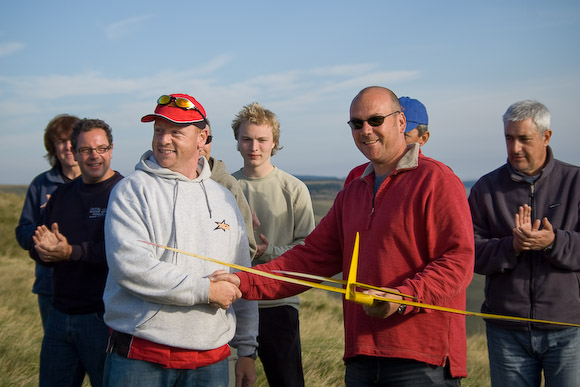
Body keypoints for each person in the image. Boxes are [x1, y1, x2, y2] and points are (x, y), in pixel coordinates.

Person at [214, 86, 474, 386]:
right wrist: (242, 281)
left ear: (401, 123)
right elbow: (310, 257)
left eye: (376, 120)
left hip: (421, 359)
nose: (366, 130)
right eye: (357, 123)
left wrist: (403, 297)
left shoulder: (436, 180)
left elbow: (458, 260)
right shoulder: (353, 188)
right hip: (360, 355)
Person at [102, 93, 258, 387]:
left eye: (176, 132)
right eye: (159, 130)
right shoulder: (131, 190)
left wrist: (247, 349)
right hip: (141, 357)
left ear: (202, 137)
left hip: (211, 361)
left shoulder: (224, 198)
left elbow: (241, 275)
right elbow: (130, 266)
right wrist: (206, 291)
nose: (163, 140)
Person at [468, 100, 580, 387]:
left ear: (546, 137)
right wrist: (512, 246)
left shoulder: (575, 182)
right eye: (509, 138)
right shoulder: (486, 188)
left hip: (569, 328)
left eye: (523, 139)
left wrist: (553, 241)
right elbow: (470, 252)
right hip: (506, 330)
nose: (515, 148)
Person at [29, 118, 123, 387]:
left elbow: (121, 253)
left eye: (101, 148)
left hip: (103, 319)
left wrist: (69, 251)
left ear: (111, 149)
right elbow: (40, 243)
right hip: (59, 316)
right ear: (74, 152)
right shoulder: (61, 195)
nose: (94, 156)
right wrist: (44, 249)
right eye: (86, 150)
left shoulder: (125, 193)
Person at [231, 102, 315, 387]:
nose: (254, 147)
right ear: (237, 142)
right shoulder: (225, 188)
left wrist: (269, 252)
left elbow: (309, 249)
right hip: (233, 301)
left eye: (262, 140)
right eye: (247, 139)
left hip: (279, 303)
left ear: (274, 143)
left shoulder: (293, 188)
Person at [15, 114, 81, 329]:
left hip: (90, 286)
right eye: (61, 141)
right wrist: (42, 239)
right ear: (52, 147)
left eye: (73, 140)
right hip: (49, 285)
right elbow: (23, 230)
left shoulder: (100, 184)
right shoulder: (41, 184)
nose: (68, 147)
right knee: (56, 353)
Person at [199, 123, 257, 259]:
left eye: (206, 139)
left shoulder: (228, 186)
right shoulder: (160, 186)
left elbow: (248, 247)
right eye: (196, 138)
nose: (200, 145)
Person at [344, 96, 429, 186]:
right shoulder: (357, 175)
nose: (397, 137)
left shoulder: (433, 177)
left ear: (423, 138)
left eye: (405, 135)